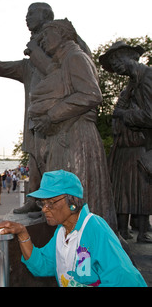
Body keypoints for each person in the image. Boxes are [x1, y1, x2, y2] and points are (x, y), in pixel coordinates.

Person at [0, 3, 91, 216]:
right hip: (34, 119)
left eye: (31, 13)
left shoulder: (63, 46)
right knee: (34, 160)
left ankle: (50, 206)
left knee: (50, 162)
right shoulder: (28, 66)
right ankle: (34, 200)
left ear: (47, 15)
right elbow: (1, 67)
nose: (27, 17)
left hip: (57, 118)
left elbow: (83, 58)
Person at [26, 18, 117, 230]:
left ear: (63, 34)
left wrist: (52, 115)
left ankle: (86, 244)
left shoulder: (75, 57)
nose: (44, 41)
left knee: (77, 196)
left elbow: (91, 94)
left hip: (77, 137)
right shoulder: (63, 62)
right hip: (66, 136)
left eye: (48, 35)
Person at [0, 170, 147, 287]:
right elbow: (42, 265)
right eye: (42, 203)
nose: (44, 209)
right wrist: (22, 232)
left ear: (72, 202)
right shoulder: (61, 232)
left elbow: (126, 280)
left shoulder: (95, 228)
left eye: (51, 202)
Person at [99, 41, 152, 243]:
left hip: (140, 146)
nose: (116, 67)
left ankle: (142, 230)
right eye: (112, 63)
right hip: (125, 146)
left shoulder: (147, 77)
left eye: (116, 60)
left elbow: (149, 116)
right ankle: (123, 230)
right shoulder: (131, 85)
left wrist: (123, 114)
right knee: (123, 191)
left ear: (129, 55)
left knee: (141, 190)